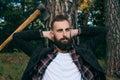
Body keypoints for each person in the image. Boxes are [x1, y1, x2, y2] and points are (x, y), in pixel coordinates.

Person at [13, 14, 108, 80]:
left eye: (67, 30)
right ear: (52, 33)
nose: (64, 34)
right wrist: (43, 34)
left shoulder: (83, 51)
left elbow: (102, 32)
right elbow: (17, 38)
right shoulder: (40, 53)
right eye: (59, 31)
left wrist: (76, 31)